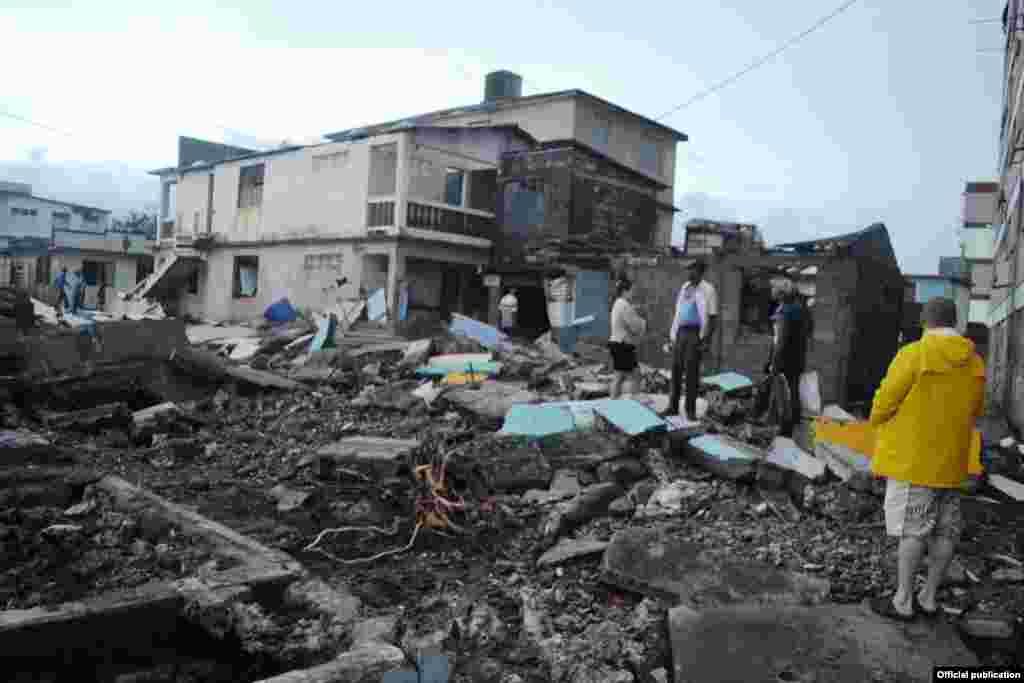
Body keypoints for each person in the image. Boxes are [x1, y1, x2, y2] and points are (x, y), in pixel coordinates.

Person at [868, 297, 985, 621]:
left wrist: (877, 420)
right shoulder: (974, 362)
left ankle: (903, 601)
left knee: (913, 531)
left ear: (924, 320)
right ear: (956, 321)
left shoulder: (914, 354)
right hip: (953, 462)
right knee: (946, 532)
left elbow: (885, 399)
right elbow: (975, 411)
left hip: (914, 460)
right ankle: (929, 597)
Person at [662, 260, 718, 420]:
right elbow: (678, 312)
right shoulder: (685, 287)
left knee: (692, 372)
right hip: (681, 332)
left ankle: (690, 410)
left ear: (699, 271)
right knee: (676, 370)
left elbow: (713, 318)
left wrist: (706, 341)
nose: (688, 273)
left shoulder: (708, 290)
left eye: (691, 270)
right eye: (688, 270)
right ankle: (672, 407)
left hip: (695, 334)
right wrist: (672, 336)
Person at [765, 279, 808, 437]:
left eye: (774, 288)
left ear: (781, 293)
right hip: (797, 358)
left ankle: (785, 429)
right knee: (793, 391)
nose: (772, 291)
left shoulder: (784, 312)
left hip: (784, 359)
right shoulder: (799, 309)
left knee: (783, 394)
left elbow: (780, 340)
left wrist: (774, 362)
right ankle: (793, 427)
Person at [608, 277, 647, 398]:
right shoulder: (624, 305)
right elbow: (635, 326)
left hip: (617, 344)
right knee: (632, 375)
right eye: (632, 290)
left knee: (622, 375)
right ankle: (632, 401)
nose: (633, 293)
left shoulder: (619, 303)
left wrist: (634, 311)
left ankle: (615, 401)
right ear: (625, 291)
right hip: (622, 345)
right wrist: (643, 319)